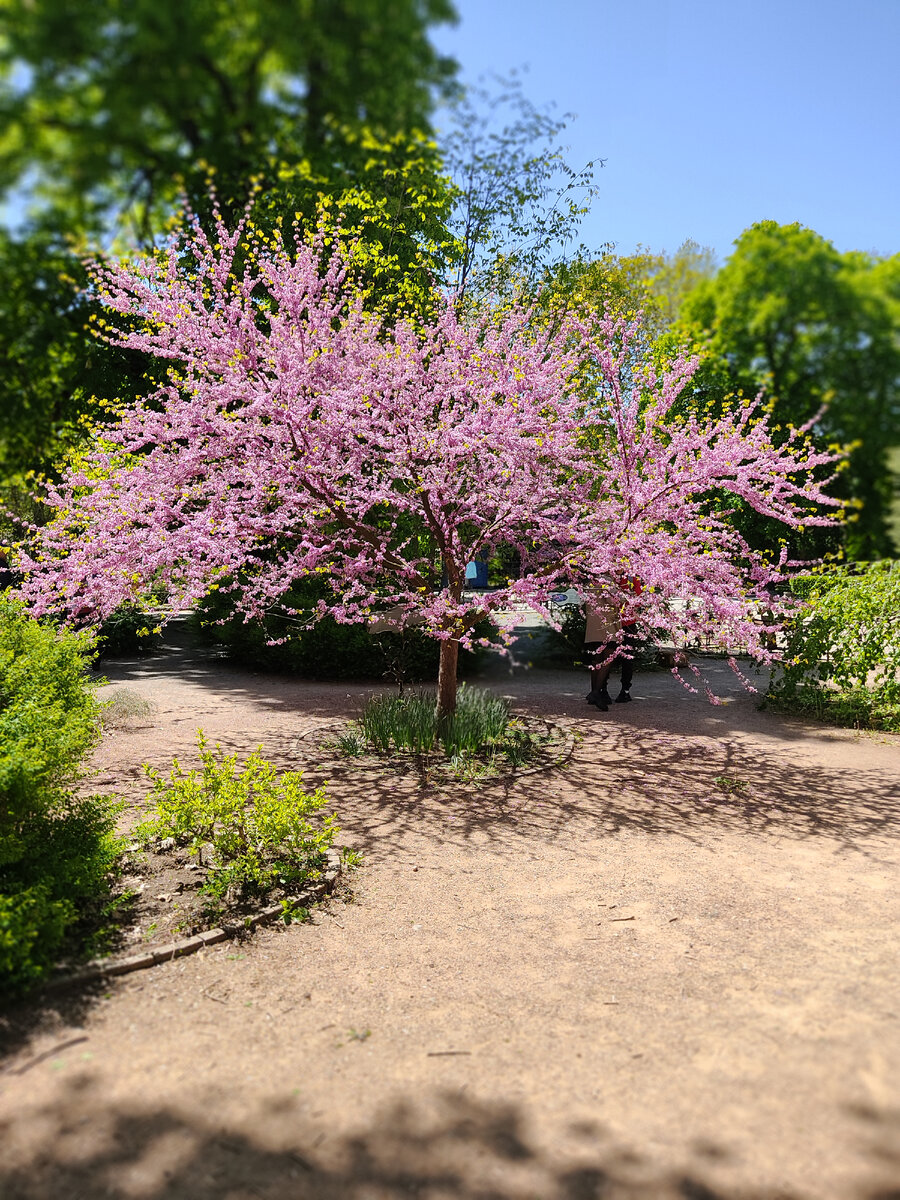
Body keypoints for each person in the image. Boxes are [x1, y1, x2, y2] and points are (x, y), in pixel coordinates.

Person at [584, 579, 641, 711]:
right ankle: (596, 692)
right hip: (606, 626)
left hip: (594, 626)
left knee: (597, 660)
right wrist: (626, 595)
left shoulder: (590, 581)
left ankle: (595, 692)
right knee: (607, 659)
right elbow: (614, 600)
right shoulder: (607, 580)